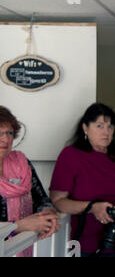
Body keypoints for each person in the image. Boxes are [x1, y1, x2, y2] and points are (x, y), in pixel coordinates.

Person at [50, 103, 115, 257]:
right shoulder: (70, 156)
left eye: (110, 127)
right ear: (85, 128)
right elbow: (58, 201)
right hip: (90, 245)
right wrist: (92, 207)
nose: (106, 132)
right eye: (99, 126)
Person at [0, 106, 60, 257]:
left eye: (9, 133)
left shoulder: (21, 163)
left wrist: (46, 215)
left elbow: (42, 200)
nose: (6, 139)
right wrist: (18, 226)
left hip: (22, 248)